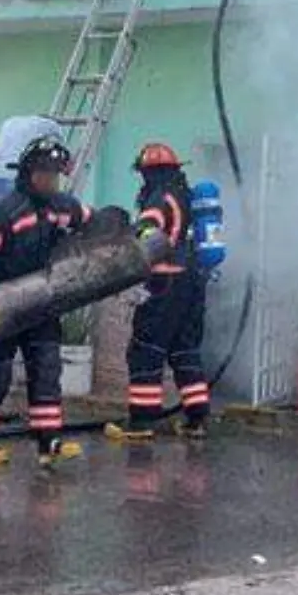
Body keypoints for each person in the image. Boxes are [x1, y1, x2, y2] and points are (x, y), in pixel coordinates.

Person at [0, 136, 91, 468]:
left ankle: (48, 441)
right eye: (45, 173)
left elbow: (91, 220)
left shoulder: (61, 206)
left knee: (46, 370)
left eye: (56, 174)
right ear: (29, 173)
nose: (51, 180)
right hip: (2, 306)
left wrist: (132, 231)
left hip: (42, 304)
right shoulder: (6, 210)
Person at [108, 143, 213, 441]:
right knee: (184, 351)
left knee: (145, 351)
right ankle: (198, 420)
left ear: (149, 173)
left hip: (165, 282)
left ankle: (141, 423)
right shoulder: (188, 196)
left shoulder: (159, 196)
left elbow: (148, 229)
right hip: (193, 282)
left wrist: (129, 246)